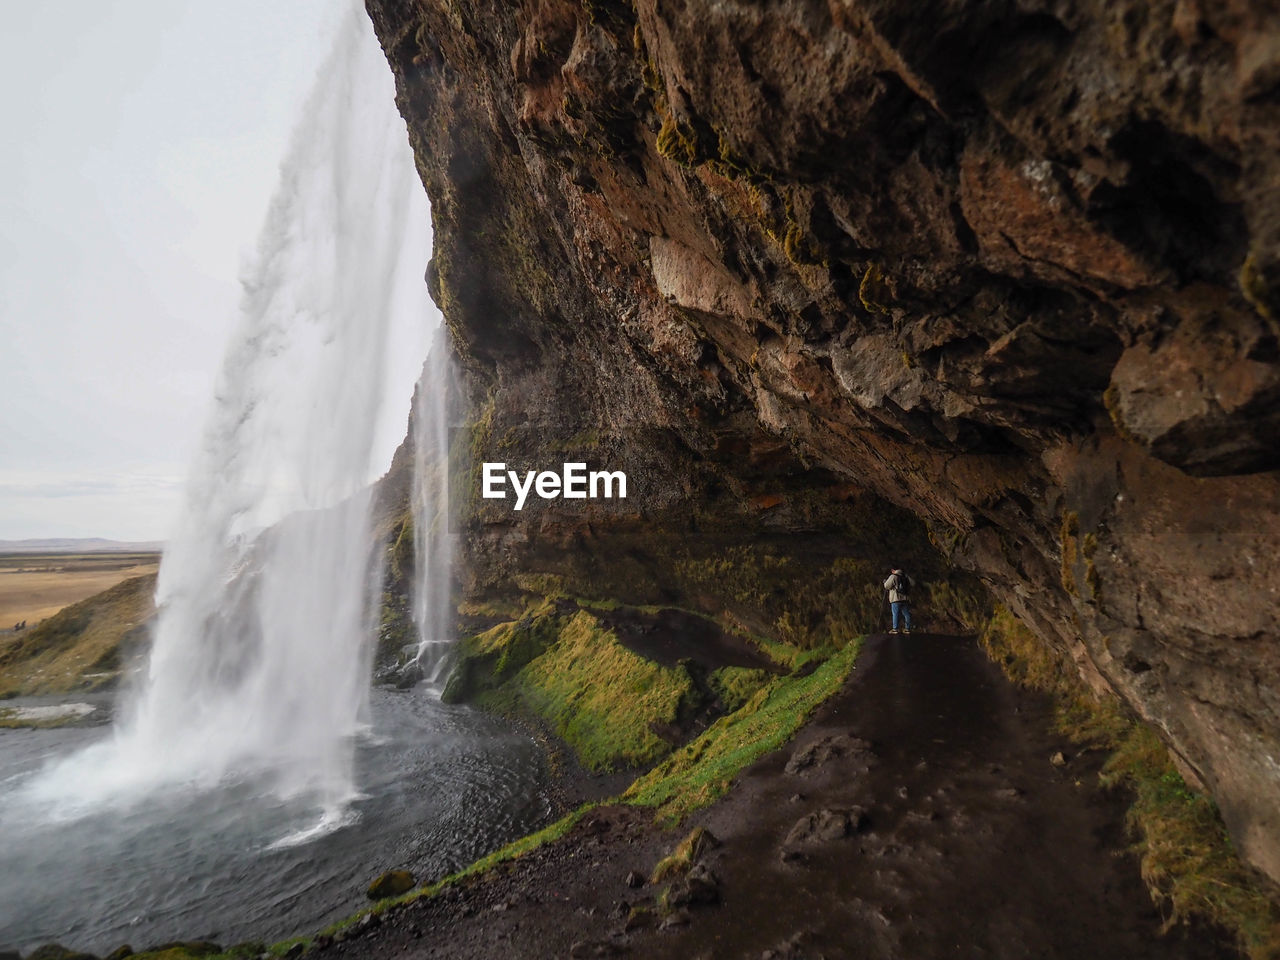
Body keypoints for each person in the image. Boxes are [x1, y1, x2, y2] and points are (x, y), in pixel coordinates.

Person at [883, 567, 913, 635]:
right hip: (905, 598)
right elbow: (913, 583)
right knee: (906, 613)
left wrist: (885, 582)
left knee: (895, 613)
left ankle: (895, 629)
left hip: (895, 598)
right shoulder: (905, 576)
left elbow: (887, 586)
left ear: (893, 570)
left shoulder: (893, 576)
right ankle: (907, 629)